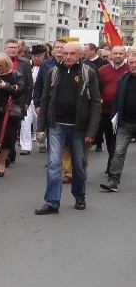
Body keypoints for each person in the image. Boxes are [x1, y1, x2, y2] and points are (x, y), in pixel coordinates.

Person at [34, 42, 101, 215]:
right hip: (56, 125)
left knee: (78, 165)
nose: (68, 57)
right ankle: (52, 202)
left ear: (80, 55)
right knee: (54, 164)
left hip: (79, 127)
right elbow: (45, 100)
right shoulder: (53, 72)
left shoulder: (88, 73)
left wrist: (92, 131)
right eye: (65, 53)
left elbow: (95, 103)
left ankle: (79, 195)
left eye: (72, 54)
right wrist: (40, 127)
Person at [102, 49, 136, 193]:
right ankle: (113, 180)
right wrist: (114, 117)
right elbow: (118, 99)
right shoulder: (124, 78)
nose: (133, 65)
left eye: (135, 63)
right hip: (125, 123)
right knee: (118, 151)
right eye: (131, 62)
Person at [0, 53, 25, 176]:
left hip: (9, 112)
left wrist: (6, 86)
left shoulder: (15, 75)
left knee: (6, 139)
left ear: (6, 64)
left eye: (0, 66)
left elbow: (20, 90)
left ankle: (2, 164)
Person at [96, 45, 128, 173]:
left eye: (121, 53)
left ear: (125, 55)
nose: (118, 56)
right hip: (106, 111)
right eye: (115, 53)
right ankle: (112, 161)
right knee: (109, 139)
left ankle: (112, 167)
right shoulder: (103, 70)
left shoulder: (129, 70)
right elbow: (96, 88)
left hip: (124, 112)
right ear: (111, 55)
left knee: (118, 141)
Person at [3, 38, 33, 164]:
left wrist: (27, 101)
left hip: (18, 100)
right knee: (3, 127)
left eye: (15, 47)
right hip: (2, 99)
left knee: (13, 128)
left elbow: (28, 84)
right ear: (5, 49)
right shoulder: (0, 60)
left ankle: (9, 154)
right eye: (10, 47)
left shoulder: (25, 63)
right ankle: (5, 152)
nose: (13, 49)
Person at [20, 44, 48, 155]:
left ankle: (42, 143)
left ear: (43, 55)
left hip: (39, 98)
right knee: (25, 122)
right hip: (27, 97)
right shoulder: (27, 65)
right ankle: (25, 146)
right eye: (34, 56)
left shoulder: (46, 66)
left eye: (39, 55)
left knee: (40, 122)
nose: (36, 58)